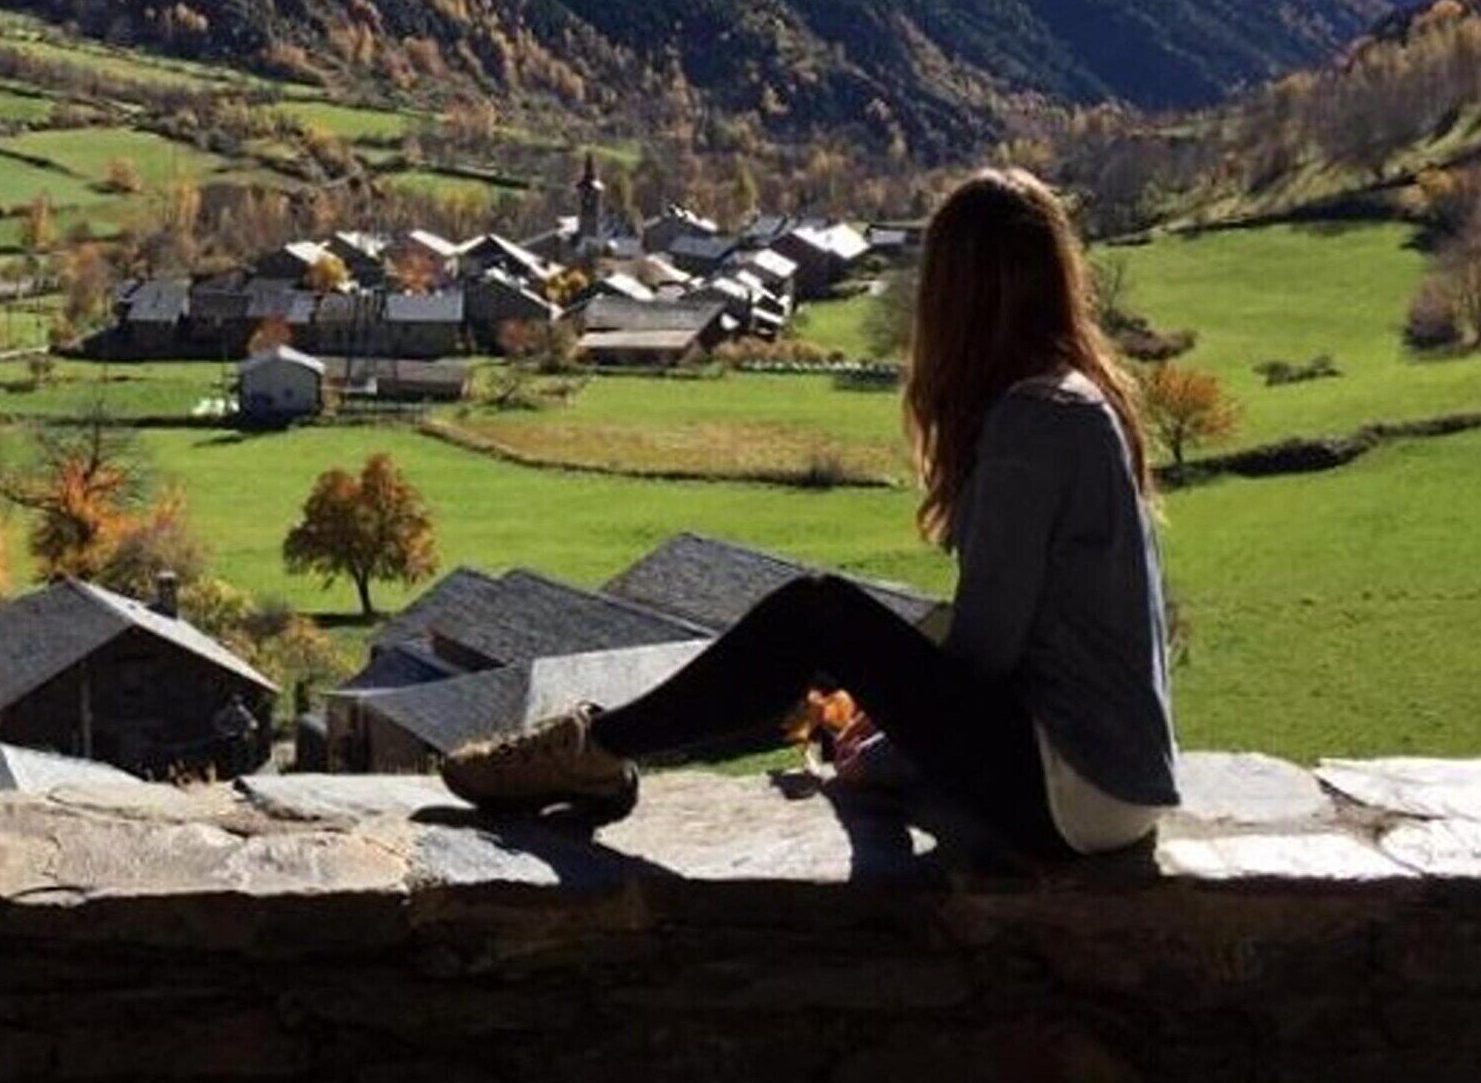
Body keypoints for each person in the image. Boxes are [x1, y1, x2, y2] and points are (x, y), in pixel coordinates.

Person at [441, 167, 1179, 858]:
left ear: (958, 294)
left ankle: (591, 750)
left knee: (818, 615)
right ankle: (596, 748)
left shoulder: (1033, 419)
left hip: (1070, 788)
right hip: (1115, 783)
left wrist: (886, 751)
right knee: (832, 627)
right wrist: (894, 717)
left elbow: (987, 651)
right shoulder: (1082, 398)